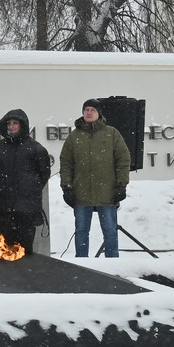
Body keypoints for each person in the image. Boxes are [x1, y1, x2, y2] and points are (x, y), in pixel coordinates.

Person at [59, 99, 131, 258]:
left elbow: (123, 160)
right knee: (81, 231)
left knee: (110, 231)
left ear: (99, 113)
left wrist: (121, 185)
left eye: (92, 110)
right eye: (86, 110)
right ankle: (82, 264)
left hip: (107, 193)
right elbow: (66, 163)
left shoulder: (112, 133)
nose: (89, 112)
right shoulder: (74, 136)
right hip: (81, 194)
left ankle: (112, 265)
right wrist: (67, 187)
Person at [0, 108, 52, 254]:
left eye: (15, 123)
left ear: (22, 125)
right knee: (5, 249)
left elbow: (44, 174)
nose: (11, 126)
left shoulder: (35, 148)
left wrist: (30, 189)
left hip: (26, 209)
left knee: (25, 250)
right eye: (9, 123)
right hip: (4, 208)